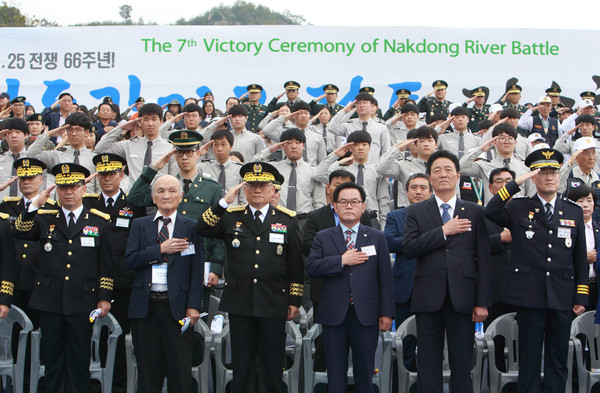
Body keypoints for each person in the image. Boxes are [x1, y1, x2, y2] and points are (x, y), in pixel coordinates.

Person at [484, 147, 588, 393]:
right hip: (530, 296)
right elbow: (491, 211)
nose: (549, 176)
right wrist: (516, 183)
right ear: (533, 176)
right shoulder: (519, 207)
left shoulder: (572, 211)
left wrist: (580, 295)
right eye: (542, 172)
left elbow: (580, 258)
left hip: (562, 296)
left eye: (553, 171)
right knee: (529, 360)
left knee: (558, 359)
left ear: (560, 176)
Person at [196, 162, 304, 393]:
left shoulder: (287, 220)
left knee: (272, 363)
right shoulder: (230, 216)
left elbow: (295, 263)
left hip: (273, 301)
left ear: (273, 189)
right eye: (251, 185)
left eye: (262, 185)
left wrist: (294, 300)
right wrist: (225, 201)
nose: (257, 189)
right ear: (244, 189)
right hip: (240, 301)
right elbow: (202, 228)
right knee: (242, 364)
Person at [11, 162, 114, 393]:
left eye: (74, 187)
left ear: (83, 189)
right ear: (56, 189)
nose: (68, 192)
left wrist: (104, 296)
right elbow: (20, 231)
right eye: (63, 187)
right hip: (50, 299)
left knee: (79, 360)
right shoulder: (45, 217)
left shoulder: (98, 220)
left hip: (83, 299)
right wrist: (34, 206)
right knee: (53, 361)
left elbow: (106, 264)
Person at [402, 150, 492, 393]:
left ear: (458, 176)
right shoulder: (416, 211)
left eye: (448, 170)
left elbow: (483, 258)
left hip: (463, 298)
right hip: (428, 298)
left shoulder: (474, 211)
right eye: (437, 171)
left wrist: (482, 301)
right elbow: (409, 248)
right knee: (427, 364)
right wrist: (444, 231)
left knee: (462, 363)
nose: (443, 175)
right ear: (430, 178)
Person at [306, 182, 394, 393]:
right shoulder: (323, 236)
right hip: (334, 314)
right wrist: (341, 260)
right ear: (334, 206)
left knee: (365, 371)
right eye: (343, 202)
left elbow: (385, 279)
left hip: (366, 314)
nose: (349, 206)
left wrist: (387, 313)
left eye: (354, 202)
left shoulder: (376, 237)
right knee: (335, 371)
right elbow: (312, 268)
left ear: (363, 207)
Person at [125, 174, 204, 393]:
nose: (166, 195)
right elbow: (130, 260)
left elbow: (197, 269)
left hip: (177, 308)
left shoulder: (191, 227)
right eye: (160, 191)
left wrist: (194, 305)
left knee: (179, 371)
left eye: (171, 191)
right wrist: (160, 250)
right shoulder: (140, 225)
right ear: (152, 197)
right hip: (146, 307)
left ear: (181, 196)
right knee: (148, 372)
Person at [82, 153, 145, 393]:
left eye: (112, 173)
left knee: (121, 339)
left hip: (125, 281)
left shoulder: (133, 204)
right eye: (103, 174)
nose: (107, 178)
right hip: (93, 281)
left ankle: (120, 385)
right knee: (93, 336)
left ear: (121, 175)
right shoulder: (88, 203)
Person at [301, 169, 372, 370]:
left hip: (358, 290)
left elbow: (369, 247)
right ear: (328, 188)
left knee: (360, 350)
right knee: (325, 346)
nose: (340, 187)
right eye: (336, 183)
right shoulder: (315, 216)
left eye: (346, 183)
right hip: (325, 289)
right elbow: (306, 244)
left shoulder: (364, 216)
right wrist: (339, 257)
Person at [384, 173, 432, 371]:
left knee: (430, 343)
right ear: (406, 192)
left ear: (430, 192)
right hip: (404, 289)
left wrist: (411, 243)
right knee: (404, 343)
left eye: (423, 187)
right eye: (414, 187)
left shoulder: (437, 216)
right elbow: (388, 242)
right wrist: (421, 242)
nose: (418, 191)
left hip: (432, 288)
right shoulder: (395, 216)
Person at [312, 130, 390, 229]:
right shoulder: (342, 170)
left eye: (364, 144)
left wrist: (383, 226)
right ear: (350, 147)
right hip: (346, 218)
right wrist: (336, 155)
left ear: (370, 147)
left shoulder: (377, 170)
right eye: (356, 145)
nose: (360, 148)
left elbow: (383, 199)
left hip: (371, 217)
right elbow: (318, 175)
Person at [94, 103, 179, 188]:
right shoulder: (129, 145)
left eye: (154, 119)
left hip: (159, 196)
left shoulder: (170, 148)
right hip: (134, 197)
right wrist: (122, 128)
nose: (150, 123)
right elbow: (100, 149)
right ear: (140, 122)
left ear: (161, 121)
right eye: (146, 119)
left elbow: (173, 178)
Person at [459, 122, 534, 203]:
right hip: (493, 212)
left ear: (515, 142)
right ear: (494, 142)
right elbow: (460, 167)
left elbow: (530, 194)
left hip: (516, 212)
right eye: (502, 138)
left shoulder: (524, 167)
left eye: (510, 138)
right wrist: (480, 149)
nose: (506, 141)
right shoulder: (485, 165)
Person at [27, 112, 100, 193]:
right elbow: (31, 154)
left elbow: (98, 188)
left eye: (78, 130)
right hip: (63, 202)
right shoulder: (57, 154)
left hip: (87, 203)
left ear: (86, 132)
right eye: (70, 129)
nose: (74, 133)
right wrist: (48, 134)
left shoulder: (94, 158)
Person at [328, 92, 391, 164]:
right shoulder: (349, 125)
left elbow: (386, 152)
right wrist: (345, 111)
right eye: (358, 103)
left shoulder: (381, 128)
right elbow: (331, 127)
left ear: (372, 105)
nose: (361, 105)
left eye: (365, 102)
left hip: (374, 170)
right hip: (353, 169)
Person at [262, 101, 326, 166]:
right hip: (290, 169)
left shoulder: (317, 136)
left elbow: (322, 160)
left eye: (306, 113)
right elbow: (266, 130)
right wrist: (283, 118)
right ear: (293, 115)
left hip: (311, 171)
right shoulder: (286, 133)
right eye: (300, 113)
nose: (303, 116)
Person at [567, 186, 599, 312]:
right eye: (580, 201)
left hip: (596, 286)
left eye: (589, 200)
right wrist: (582, 257)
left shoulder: (598, 228)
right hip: (573, 287)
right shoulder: (565, 228)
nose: (585, 205)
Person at [197, 129, 246, 205]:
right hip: (209, 212)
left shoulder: (239, 170)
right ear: (212, 147)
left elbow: (243, 199)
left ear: (231, 146)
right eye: (216, 145)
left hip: (232, 212)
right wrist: (198, 155)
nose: (219, 149)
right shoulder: (202, 168)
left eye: (223, 145)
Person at [200, 104, 264, 162]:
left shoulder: (256, 138)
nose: (237, 119)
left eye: (240, 116)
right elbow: (202, 138)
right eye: (234, 117)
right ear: (229, 119)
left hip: (247, 172)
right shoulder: (224, 136)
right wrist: (217, 123)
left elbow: (262, 159)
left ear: (246, 118)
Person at [0, 118, 29, 198]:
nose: (13, 136)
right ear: (5, 136)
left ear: (26, 135)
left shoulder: (32, 160)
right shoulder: (1, 159)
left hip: (25, 207)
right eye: (9, 133)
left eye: (18, 132)